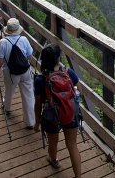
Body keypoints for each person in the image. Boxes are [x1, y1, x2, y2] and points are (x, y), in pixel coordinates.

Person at [34, 44, 82, 177]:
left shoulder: (40, 79)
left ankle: (54, 160)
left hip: (51, 116)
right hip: (70, 113)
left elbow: (38, 104)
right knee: (72, 145)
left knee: (53, 143)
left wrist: (37, 123)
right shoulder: (68, 73)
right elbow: (80, 91)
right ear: (57, 59)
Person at [0, 18, 35, 129]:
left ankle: (7, 109)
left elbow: (0, 60)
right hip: (25, 71)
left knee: (9, 91)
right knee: (28, 95)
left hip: (11, 73)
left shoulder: (3, 42)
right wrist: (25, 64)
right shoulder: (24, 39)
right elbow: (30, 56)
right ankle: (30, 122)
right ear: (18, 29)